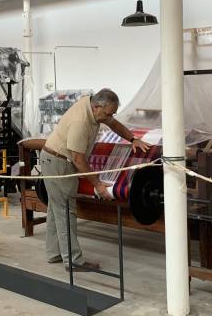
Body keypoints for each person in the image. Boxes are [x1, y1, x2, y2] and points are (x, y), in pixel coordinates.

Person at [40, 89, 151, 271]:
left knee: (56, 208)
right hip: (59, 163)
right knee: (66, 211)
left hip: (56, 158)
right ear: (96, 106)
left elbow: (113, 123)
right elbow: (78, 159)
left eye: (112, 113)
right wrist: (98, 185)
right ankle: (73, 262)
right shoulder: (80, 121)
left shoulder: (94, 107)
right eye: (108, 113)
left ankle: (54, 254)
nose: (110, 117)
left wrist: (133, 139)